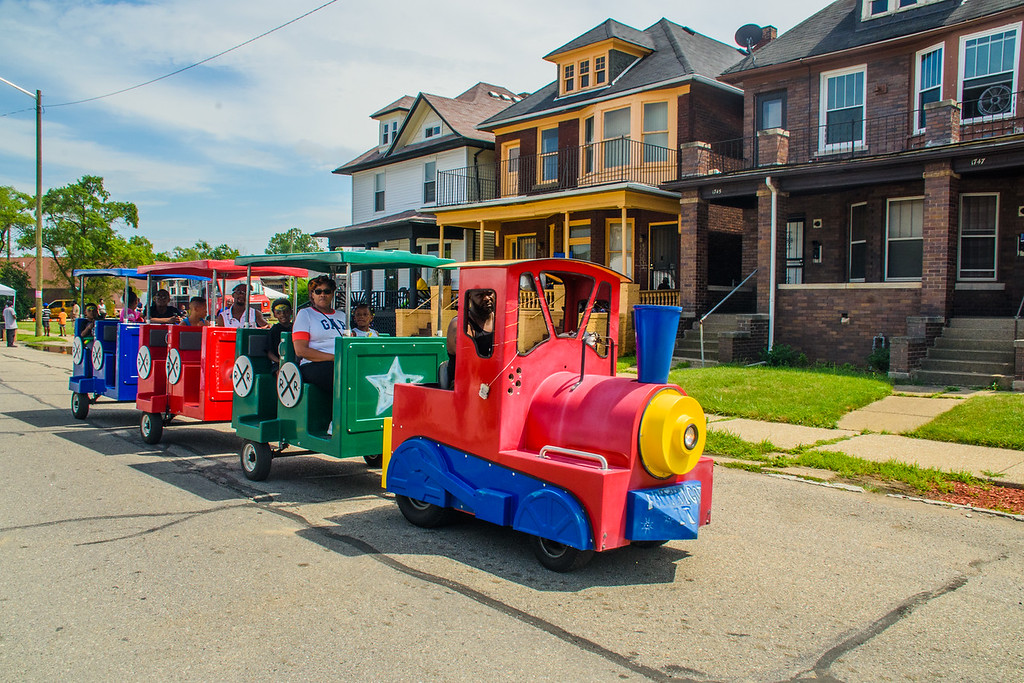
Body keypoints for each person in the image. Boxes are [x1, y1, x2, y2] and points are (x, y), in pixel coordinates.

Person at [291, 275, 348, 394]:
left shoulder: (342, 316)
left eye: (327, 291)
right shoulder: (305, 314)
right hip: (314, 364)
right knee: (337, 373)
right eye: (318, 291)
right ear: (312, 295)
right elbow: (300, 351)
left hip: (342, 361)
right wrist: (334, 358)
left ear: (332, 294)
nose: (323, 295)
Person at [445, 288, 495, 381]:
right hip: (464, 383)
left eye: (489, 293)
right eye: (480, 295)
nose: (486, 298)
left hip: (491, 379)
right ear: (470, 296)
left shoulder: (500, 320)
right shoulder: (460, 325)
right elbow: (470, 363)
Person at [267, 298, 293, 374]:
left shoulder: (295, 327)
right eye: (279, 312)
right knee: (280, 372)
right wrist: (281, 362)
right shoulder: (274, 330)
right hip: (278, 363)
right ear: (274, 314)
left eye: (286, 312)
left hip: (294, 361)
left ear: (291, 312)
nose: (283, 315)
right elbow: (269, 353)